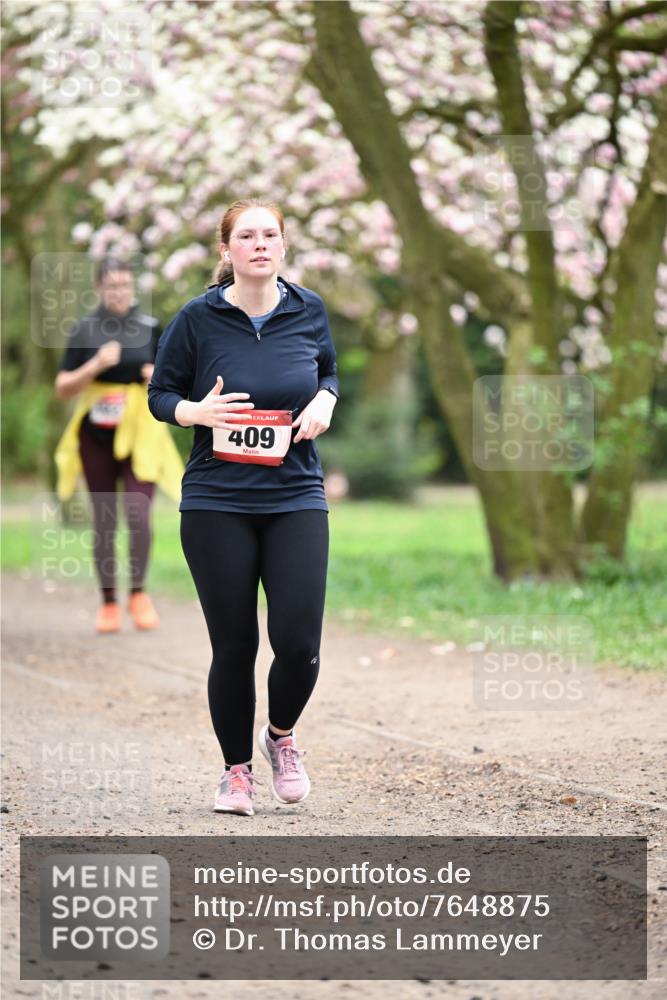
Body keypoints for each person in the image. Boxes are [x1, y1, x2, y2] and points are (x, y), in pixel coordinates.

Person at [148, 199, 339, 816]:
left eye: (271, 235)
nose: (260, 244)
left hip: (295, 494)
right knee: (234, 645)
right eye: (247, 236)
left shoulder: (308, 309)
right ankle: (235, 772)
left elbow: (329, 372)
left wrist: (326, 401)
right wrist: (196, 413)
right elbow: (160, 394)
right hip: (216, 500)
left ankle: (280, 736)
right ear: (226, 251)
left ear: (283, 247)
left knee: (299, 641)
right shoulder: (196, 318)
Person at [54, 258, 184, 634]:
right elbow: (63, 388)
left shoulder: (150, 327)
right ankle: (109, 601)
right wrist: (93, 366)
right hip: (95, 436)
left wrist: (156, 375)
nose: (119, 293)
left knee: (139, 515)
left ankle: (139, 594)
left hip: (142, 432)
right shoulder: (85, 330)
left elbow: (173, 381)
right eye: (112, 286)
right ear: (98, 288)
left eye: (125, 285)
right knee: (105, 520)